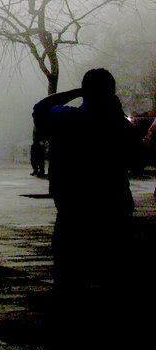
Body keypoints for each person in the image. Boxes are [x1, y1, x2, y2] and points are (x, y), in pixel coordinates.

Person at [33, 68, 139, 291]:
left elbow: (40, 109)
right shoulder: (122, 127)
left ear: (85, 91)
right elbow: (135, 157)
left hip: (73, 210)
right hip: (113, 208)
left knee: (70, 277)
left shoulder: (69, 120)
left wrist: (76, 92)